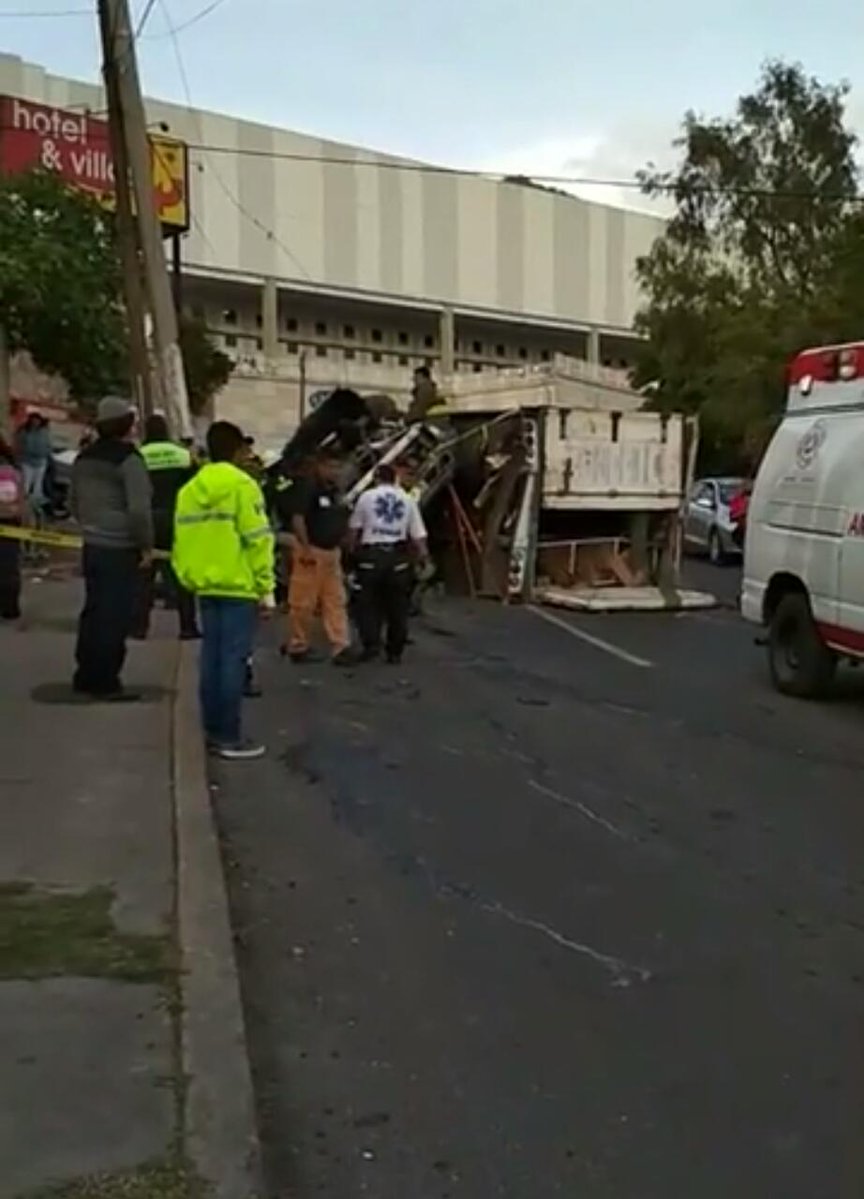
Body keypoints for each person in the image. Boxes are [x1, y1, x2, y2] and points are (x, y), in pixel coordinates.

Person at [172, 420, 275, 761]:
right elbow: (258, 539)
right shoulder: (243, 487)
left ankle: (212, 731)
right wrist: (266, 587)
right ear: (236, 451)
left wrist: (187, 577)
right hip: (238, 585)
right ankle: (229, 737)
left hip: (204, 585)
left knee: (211, 660)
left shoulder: (190, 490)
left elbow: (180, 540)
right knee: (232, 660)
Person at [70, 396, 153, 701]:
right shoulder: (129, 460)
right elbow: (139, 511)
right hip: (120, 547)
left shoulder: (84, 458)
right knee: (114, 615)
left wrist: (89, 525)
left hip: (92, 544)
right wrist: (145, 545)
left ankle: (86, 674)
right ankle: (106, 681)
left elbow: (74, 501)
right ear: (127, 425)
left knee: (93, 611)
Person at [349, 462, 429, 664]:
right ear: (395, 478)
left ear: (376, 478)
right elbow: (418, 535)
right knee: (398, 606)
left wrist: (352, 554)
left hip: (372, 557)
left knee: (366, 604)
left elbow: (354, 530)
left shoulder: (366, 497)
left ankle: (371, 644)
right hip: (397, 558)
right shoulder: (407, 500)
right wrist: (424, 558)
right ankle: (395, 651)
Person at [132, 413, 200, 641]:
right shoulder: (182, 455)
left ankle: (139, 627)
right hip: (176, 518)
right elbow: (194, 485)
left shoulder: (138, 455)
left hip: (148, 517)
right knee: (181, 575)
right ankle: (187, 627)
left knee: (143, 576)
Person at [284, 448, 354, 665]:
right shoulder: (308, 487)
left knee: (336, 600)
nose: (335, 471)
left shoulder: (335, 491)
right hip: (312, 550)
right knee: (303, 602)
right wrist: (305, 548)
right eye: (331, 466)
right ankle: (298, 644)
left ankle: (340, 645)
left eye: (338, 467)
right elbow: (298, 518)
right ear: (320, 465)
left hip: (332, 552)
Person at [0, 434, 24, 621]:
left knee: (7, 565)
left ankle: (9, 606)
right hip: (10, 521)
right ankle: (9, 606)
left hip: (6, 521)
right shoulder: (10, 469)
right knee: (8, 564)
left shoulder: (6, 471)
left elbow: (10, 500)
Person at [15, 411, 52, 511]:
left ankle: (36, 505)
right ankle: (21, 503)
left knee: (37, 485)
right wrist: (18, 459)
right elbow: (19, 445)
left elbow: (48, 444)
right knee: (25, 483)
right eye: (33, 420)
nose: (35, 422)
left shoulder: (44, 431)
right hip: (27, 461)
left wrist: (47, 453)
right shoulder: (24, 432)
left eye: (37, 420)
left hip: (41, 461)